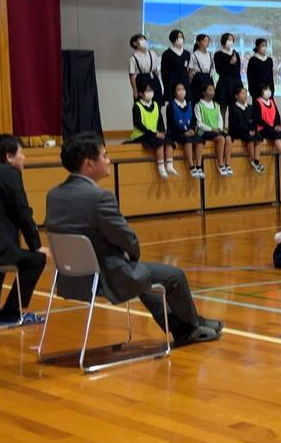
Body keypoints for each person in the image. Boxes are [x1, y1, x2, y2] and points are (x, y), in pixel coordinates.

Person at [45, 134, 221, 344]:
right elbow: (127, 239)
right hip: (104, 277)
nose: (109, 160)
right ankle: (192, 327)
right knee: (174, 276)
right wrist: (132, 255)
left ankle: (182, 328)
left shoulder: (53, 195)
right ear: (89, 164)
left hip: (70, 277)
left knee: (145, 275)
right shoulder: (99, 197)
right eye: (105, 155)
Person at [0, 135, 48, 326]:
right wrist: (36, 245)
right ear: (9, 156)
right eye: (21, 153)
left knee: (5, 255)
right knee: (36, 260)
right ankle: (11, 313)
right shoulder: (9, 174)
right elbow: (22, 212)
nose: (24, 157)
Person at [127, 77, 175, 180]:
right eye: (147, 90)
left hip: (154, 134)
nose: (150, 93)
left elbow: (160, 120)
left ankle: (169, 165)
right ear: (141, 93)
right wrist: (154, 134)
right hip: (142, 135)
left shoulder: (156, 105)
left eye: (151, 90)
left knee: (168, 141)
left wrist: (162, 132)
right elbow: (138, 124)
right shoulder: (137, 106)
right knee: (159, 143)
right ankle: (161, 167)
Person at [164, 81, 204, 178]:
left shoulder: (190, 104)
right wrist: (184, 132)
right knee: (188, 141)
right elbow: (171, 123)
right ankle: (191, 167)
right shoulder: (171, 106)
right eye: (178, 89)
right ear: (174, 93)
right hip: (176, 132)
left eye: (183, 89)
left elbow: (193, 120)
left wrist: (192, 129)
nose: (181, 91)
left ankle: (199, 166)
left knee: (199, 140)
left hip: (189, 132)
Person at [194, 82, 232, 176]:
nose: (212, 92)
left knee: (228, 138)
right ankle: (220, 164)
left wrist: (219, 128)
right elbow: (199, 123)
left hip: (216, 130)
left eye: (213, 90)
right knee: (221, 139)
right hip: (203, 131)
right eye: (210, 90)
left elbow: (220, 119)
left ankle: (227, 164)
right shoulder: (198, 105)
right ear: (204, 92)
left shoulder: (216, 105)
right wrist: (211, 129)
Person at [254, 86, 281, 164]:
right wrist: (272, 127)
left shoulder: (272, 101)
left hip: (273, 127)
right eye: (265, 89)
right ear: (261, 91)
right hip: (263, 128)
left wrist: (277, 125)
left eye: (268, 89)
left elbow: (277, 115)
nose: (268, 91)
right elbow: (258, 119)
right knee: (276, 134)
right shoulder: (258, 102)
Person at [213, 33, 242, 116]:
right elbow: (219, 70)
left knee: (235, 108)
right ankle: (221, 124)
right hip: (224, 83)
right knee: (222, 107)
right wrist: (230, 63)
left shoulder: (235, 54)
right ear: (223, 41)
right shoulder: (218, 54)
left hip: (236, 83)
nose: (231, 41)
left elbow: (237, 70)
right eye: (229, 39)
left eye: (232, 40)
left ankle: (233, 124)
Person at [127, 33, 162, 102]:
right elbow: (132, 75)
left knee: (157, 100)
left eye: (144, 39)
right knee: (143, 100)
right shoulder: (133, 58)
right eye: (141, 39)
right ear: (134, 43)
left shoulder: (152, 54)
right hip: (141, 79)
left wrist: (158, 81)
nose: (143, 41)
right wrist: (135, 90)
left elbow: (155, 70)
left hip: (153, 78)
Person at [160, 29, 191, 102]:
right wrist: (166, 85)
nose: (181, 39)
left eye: (182, 37)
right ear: (173, 38)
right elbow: (163, 71)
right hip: (172, 82)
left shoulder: (187, 53)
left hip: (184, 81)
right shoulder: (167, 53)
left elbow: (188, 68)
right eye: (179, 37)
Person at [188, 33, 215, 101]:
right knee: (198, 98)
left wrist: (211, 76)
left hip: (208, 78)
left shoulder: (210, 54)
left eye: (208, 41)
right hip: (198, 79)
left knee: (209, 99)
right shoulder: (194, 55)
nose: (207, 43)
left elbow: (213, 67)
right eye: (205, 41)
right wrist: (190, 78)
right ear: (198, 42)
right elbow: (191, 69)